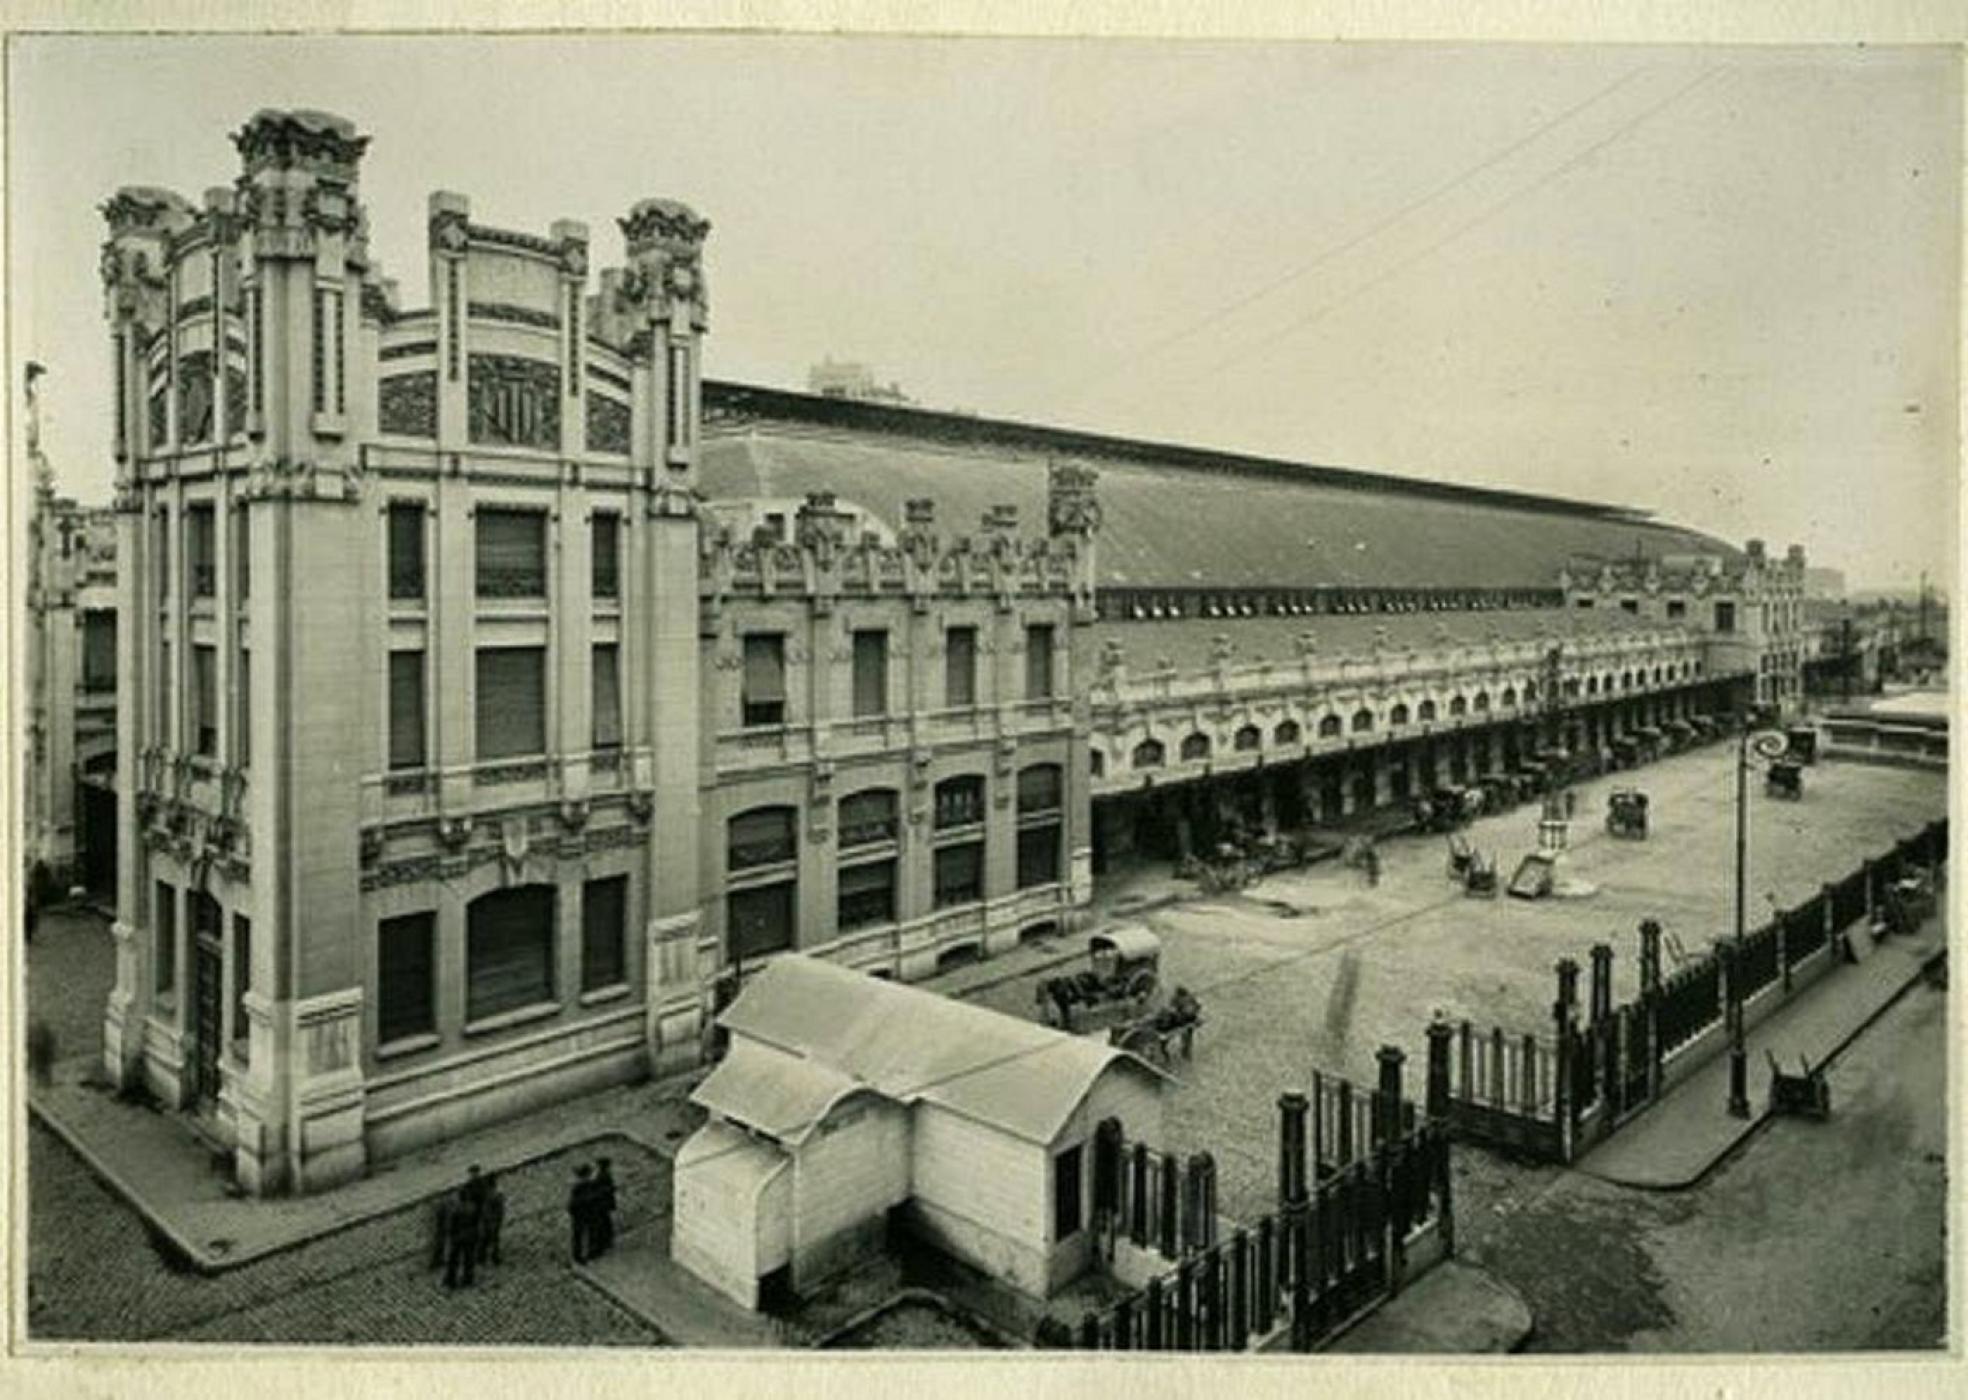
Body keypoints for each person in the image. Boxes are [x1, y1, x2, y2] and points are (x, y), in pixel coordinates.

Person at [442, 1182, 481, 1289]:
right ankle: (468, 1278)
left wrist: (450, 1236)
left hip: (458, 1238)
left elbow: (451, 1225)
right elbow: (477, 1222)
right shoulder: (473, 1207)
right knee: (469, 1259)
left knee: (453, 1259)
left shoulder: (456, 1210)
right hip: (470, 1236)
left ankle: (451, 1280)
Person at [568, 1164, 596, 1264]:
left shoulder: (578, 1187)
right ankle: (586, 1254)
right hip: (586, 1214)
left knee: (578, 1236)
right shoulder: (588, 1186)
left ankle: (579, 1255)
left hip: (579, 1215)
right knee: (587, 1234)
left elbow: (571, 1204)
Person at [477, 1173, 506, 1266]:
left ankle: (482, 1258)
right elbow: (500, 1210)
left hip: (487, 1220)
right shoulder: (497, 1195)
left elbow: (483, 1209)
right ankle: (494, 1258)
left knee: (485, 1240)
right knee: (494, 1240)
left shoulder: (485, 1194)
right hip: (493, 1221)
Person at [591, 1158, 618, 1258]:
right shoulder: (606, 1175)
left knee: (602, 1223)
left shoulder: (602, 1176)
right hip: (606, 1203)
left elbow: (601, 1189)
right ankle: (608, 1240)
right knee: (606, 1222)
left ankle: (603, 1243)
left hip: (602, 1204)